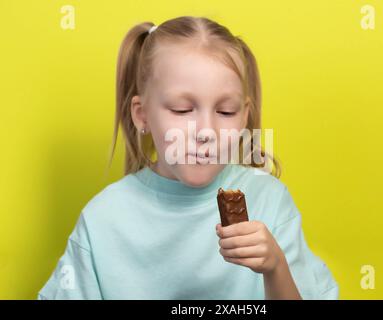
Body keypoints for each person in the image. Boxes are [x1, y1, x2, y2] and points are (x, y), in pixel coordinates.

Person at [38, 16, 338, 300]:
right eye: (182, 110)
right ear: (142, 114)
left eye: (225, 112)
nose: (206, 131)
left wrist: (275, 266)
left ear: (244, 117)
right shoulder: (103, 220)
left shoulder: (269, 201)